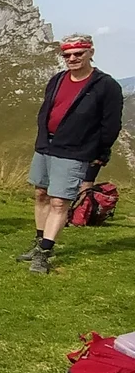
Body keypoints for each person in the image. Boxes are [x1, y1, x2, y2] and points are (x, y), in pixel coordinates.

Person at [19, 34, 124, 274]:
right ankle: (38, 242)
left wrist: (99, 155)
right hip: (47, 146)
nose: (72, 58)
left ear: (90, 52)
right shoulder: (57, 79)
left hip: (76, 150)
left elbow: (110, 125)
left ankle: (45, 252)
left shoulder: (106, 85)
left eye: (78, 53)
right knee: (41, 193)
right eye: (67, 55)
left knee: (60, 201)